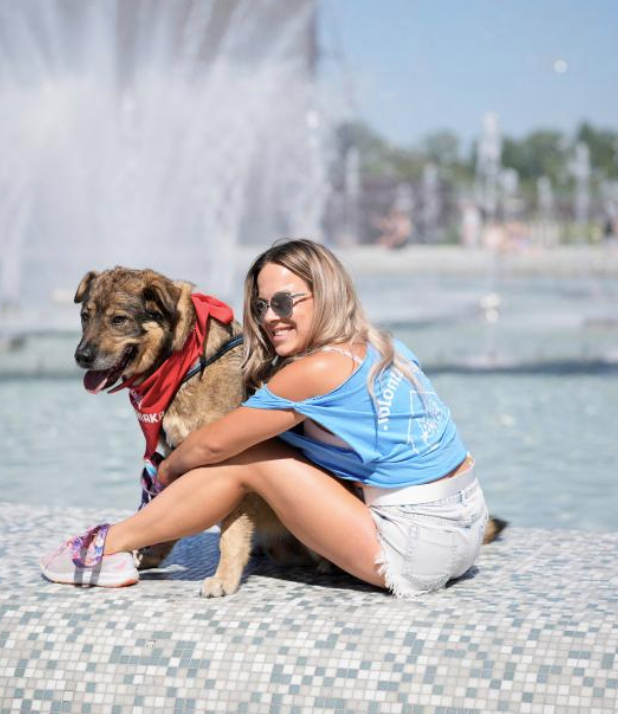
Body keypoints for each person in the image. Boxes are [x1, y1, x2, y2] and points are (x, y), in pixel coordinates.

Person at [40, 239, 491, 597]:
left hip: (416, 549)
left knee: (246, 455)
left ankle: (108, 545)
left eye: (284, 303)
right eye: (260, 306)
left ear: (326, 295)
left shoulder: (312, 371)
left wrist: (167, 470)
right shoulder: (375, 343)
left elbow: (215, 445)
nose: (269, 318)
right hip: (465, 524)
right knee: (251, 452)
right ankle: (136, 543)